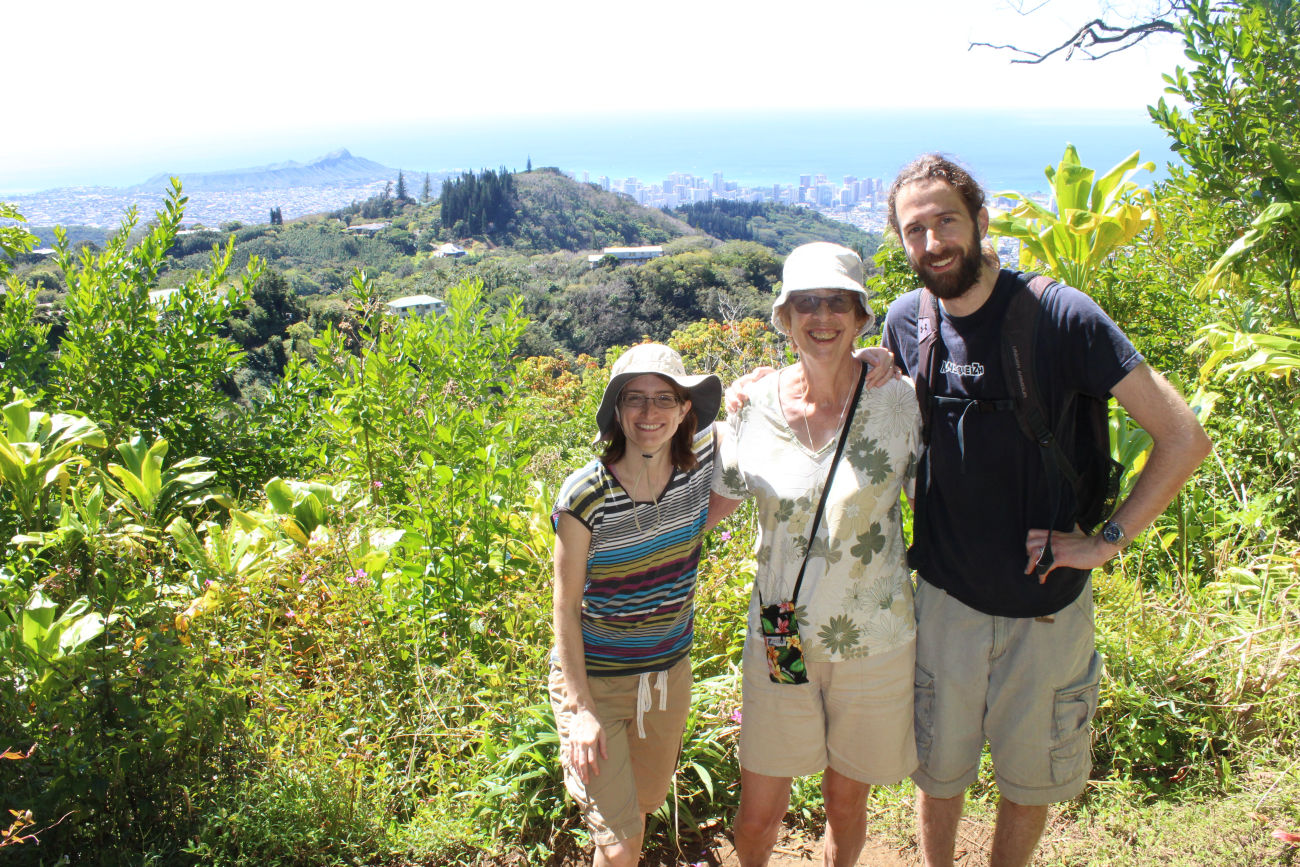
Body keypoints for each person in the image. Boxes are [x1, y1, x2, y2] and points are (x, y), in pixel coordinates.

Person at [880, 154, 1211, 867]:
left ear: (981, 222)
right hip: (944, 597)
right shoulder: (907, 320)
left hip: (1049, 605)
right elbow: (889, 428)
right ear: (902, 242)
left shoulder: (1062, 316)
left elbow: (1183, 436)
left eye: (946, 221)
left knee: (1030, 777)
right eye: (915, 229)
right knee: (938, 771)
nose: (933, 241)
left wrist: (1107, 540)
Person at [709, 242, 923, 867]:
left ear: (861, 318)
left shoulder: (899, 403)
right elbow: (705, 510)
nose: (821, 316)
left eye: (837, 302)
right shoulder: (751, 409)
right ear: (785, 316)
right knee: (759, 810)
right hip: (783, 631)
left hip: (875, 636)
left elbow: (943, 502)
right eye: (806, 302)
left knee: (846, 799)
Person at [549, 343, 724, 867]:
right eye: (635, 400)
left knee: (639, 814)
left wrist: (873, 361)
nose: (650, 414)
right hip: (596, 683)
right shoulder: (586, 494)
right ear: (618, 412)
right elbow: (564, 607)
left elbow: (772, 398)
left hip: (668, 677)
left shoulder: (697, 469)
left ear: (684, 409)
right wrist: (579, 710)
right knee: (621, 843)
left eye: (664, 399)